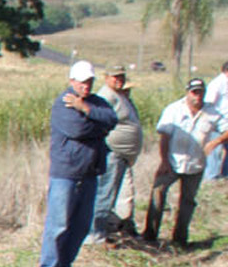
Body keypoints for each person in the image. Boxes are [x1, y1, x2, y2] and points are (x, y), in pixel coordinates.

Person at [39, 59, 117, 267]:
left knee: (81, 224)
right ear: (72, 80)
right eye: (82, 82)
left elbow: (112, 119)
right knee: (59, 223)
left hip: (90, 171)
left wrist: (85, 108)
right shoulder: (63, 102)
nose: (86, 86)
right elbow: (78, 128)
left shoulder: (95, 102)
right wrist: (100, 127)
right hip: (67, 171)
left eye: (90, 81)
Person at [146, 78, 228, 248]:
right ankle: (150, 236)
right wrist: (163, 162)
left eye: (200, 92)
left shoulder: (212, 112)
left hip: (195, 164)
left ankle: (180, 240)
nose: (197, 96)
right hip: (172, 162)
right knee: (157, 194)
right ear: (187, 92)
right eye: (194, 92)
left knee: (188, 202)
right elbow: (165, 136)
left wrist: (215, 142)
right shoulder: (174, 110)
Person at [88, 65, 141, 243]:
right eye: (115, 76)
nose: (119, 80)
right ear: (106, 77)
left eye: (122, 76)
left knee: (110, 195)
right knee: (104, 194)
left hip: (120, 155)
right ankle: (94, 234)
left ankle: (103, 231)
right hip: (112, 153)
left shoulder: (119, 96)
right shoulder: (106, 96)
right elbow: (97, 120)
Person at [205, 61, 228, 180]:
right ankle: (211, 177)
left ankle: (225, 175)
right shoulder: (217, 84)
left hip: (226, 124)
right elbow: (209, 104)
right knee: (214, 149)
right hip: (217, 124)